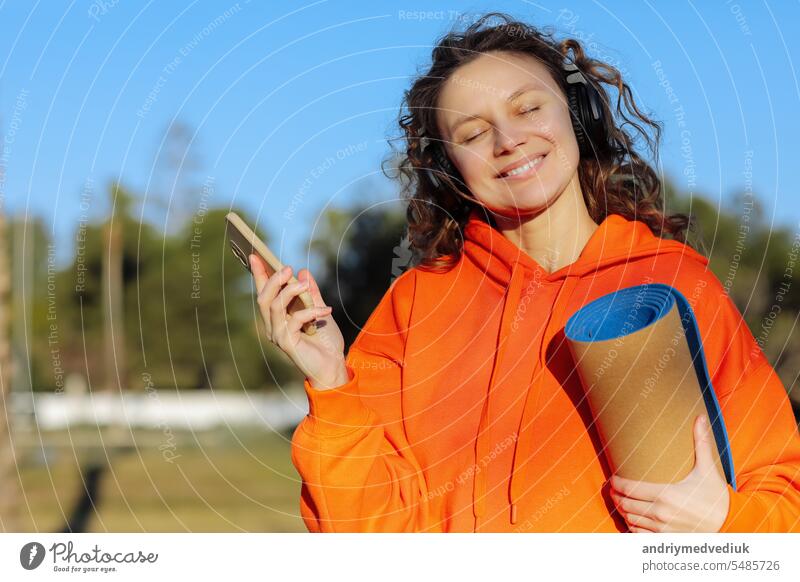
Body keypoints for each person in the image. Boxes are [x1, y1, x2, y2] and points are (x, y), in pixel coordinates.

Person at [249, 13, 800, 533]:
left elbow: (785, 497)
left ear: (575, 114)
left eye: (529, 108)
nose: (507, 140)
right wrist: (331, 381)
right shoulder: (416, 302)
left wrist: (724, 523)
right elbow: (366, 534)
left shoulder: (676, 286)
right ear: (452, 170)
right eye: (471, 134)